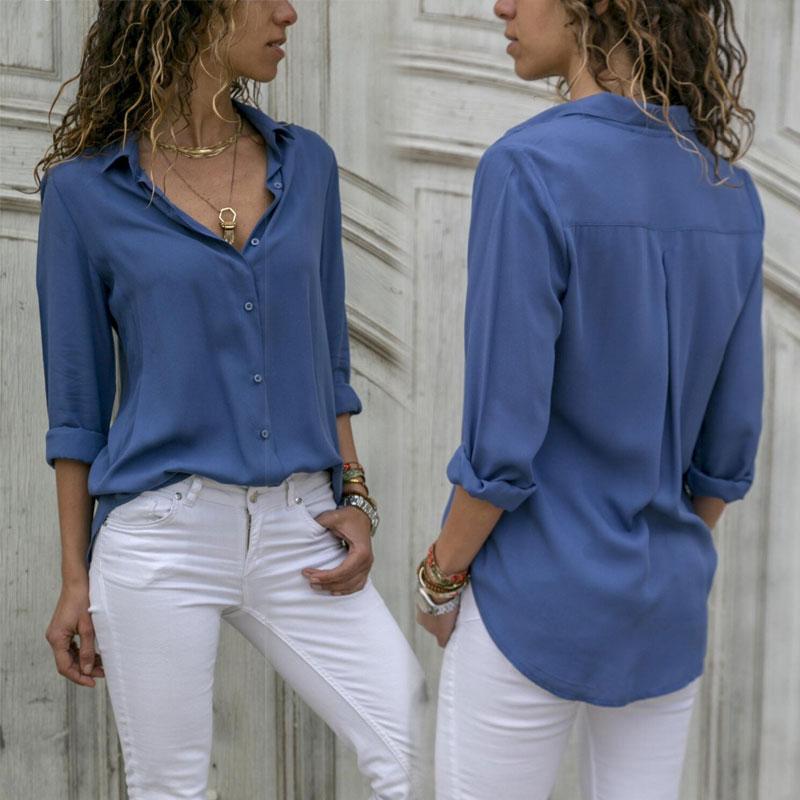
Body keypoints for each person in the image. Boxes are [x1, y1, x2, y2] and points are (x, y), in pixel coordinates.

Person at [34, 2, 426, 798]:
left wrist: (353, 494)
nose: (288, 13)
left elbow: (328, 353)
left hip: (299, 525)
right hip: (161, 536)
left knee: (415, 750)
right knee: (171, 788)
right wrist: (76, 578)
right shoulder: (84, 194)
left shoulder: (307, 165)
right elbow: (76, 409)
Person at [414, 1, 764, 798]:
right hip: (664, 609)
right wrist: (658, 555)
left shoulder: (529, 167)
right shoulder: (730, 191)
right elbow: (726, 450)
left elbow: (502, 438)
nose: (502, 6)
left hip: (532, 603)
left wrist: (439, 577)